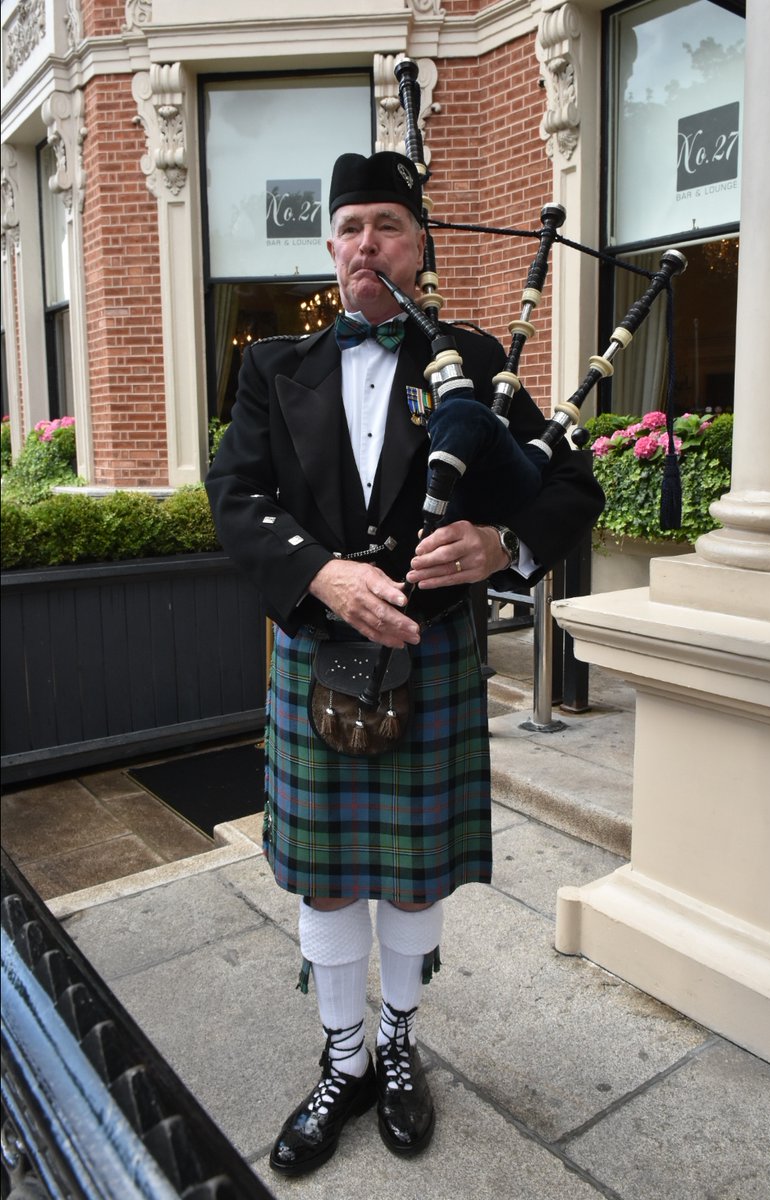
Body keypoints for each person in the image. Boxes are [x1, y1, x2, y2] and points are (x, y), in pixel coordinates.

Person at [205, 150, 604, 1177]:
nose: (366, 243)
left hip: (430, 658)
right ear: (331, 248)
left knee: (411, 876)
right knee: (330, 882)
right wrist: (324, 576)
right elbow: (236, 497)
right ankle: (342, 1056)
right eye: (350, 227)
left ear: (419, 245)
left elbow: (566, 486)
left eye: (387, 223)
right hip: (317, 655)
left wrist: (500, 548)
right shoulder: (271, 368)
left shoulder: (476, 361)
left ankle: (397, 1045)